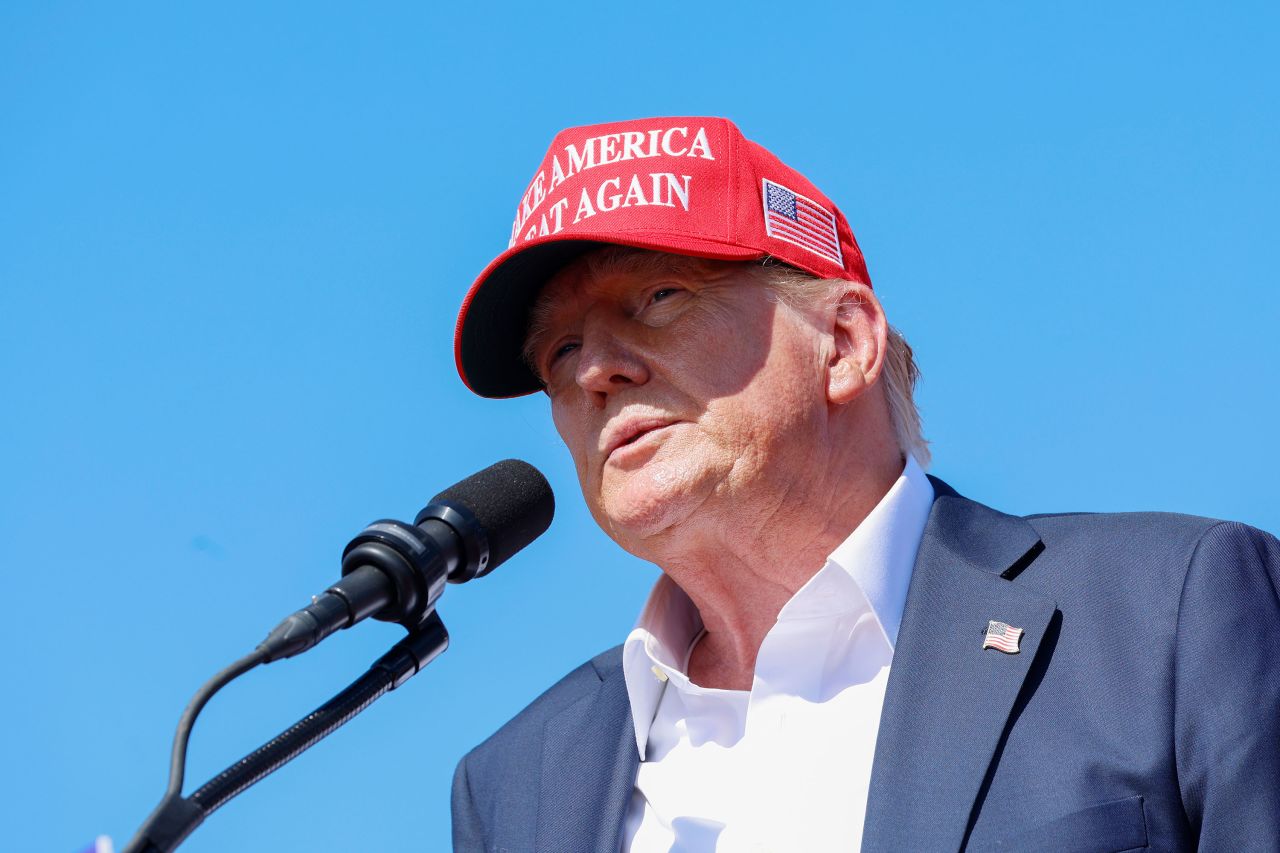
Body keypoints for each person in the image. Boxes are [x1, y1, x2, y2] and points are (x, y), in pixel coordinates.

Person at [448, 117, 1280, 852]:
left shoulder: (1170, 613)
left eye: (659, 296)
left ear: (843, 342)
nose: (595, 369)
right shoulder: (516, 784)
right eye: (558, 351)